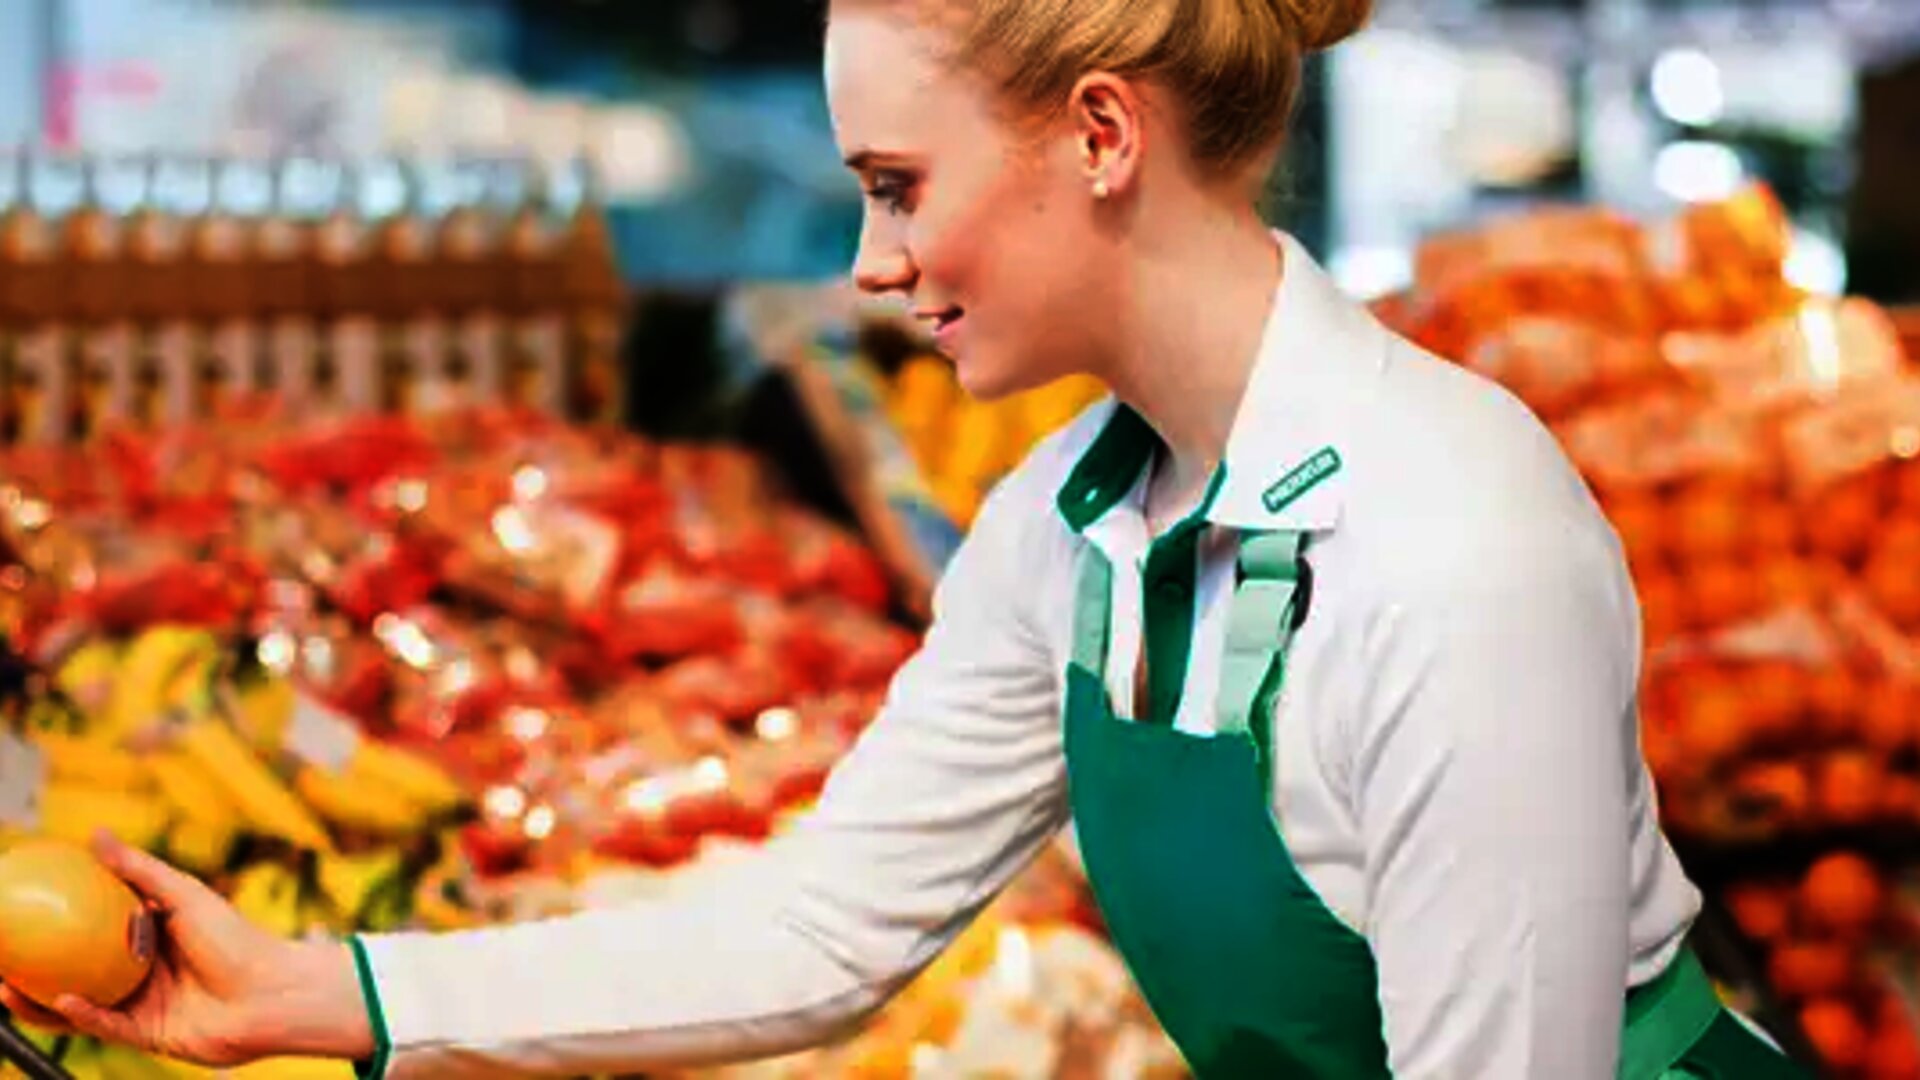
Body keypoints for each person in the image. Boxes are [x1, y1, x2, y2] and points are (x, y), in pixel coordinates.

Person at [1, 1, 1814, 1077]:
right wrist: (317, 993)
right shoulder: (1074, 524)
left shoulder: (1451, 544)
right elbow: (821, 926)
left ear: (1100, 135)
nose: (868, 266)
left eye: (896, 188)